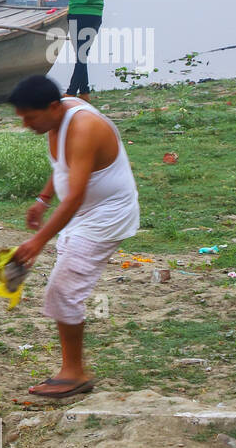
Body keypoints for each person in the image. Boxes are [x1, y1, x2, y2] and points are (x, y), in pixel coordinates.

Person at [8, 75, 139, 398]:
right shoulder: (57, 120)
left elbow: (76, 196)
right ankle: (72, 368)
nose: (25, 125)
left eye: (29, 117)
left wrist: (38, 242)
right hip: (80, 216)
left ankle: (75, 373)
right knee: (63, 287)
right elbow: (64, 168)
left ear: (53, 106)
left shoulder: (84, 127)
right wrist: (42, 199)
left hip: (106, 215)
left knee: (62, 290)